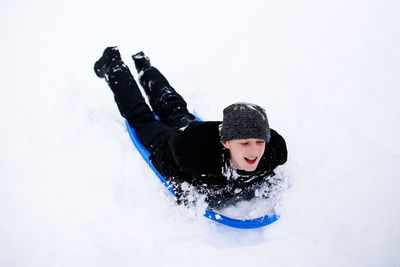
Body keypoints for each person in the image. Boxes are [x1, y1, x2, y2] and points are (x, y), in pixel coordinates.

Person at [94, 46, 288, 209]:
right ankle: (113, 64)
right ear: (227, 143)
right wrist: (185, 190)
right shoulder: (195, 156)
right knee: (140, 117)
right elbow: (164, 163)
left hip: (194, 129)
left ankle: (146, 69)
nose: (255, 151)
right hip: (169, 143)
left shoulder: (273, 152)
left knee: (173, 106)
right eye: (244, 143)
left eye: (259, 141)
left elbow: (270, 166)